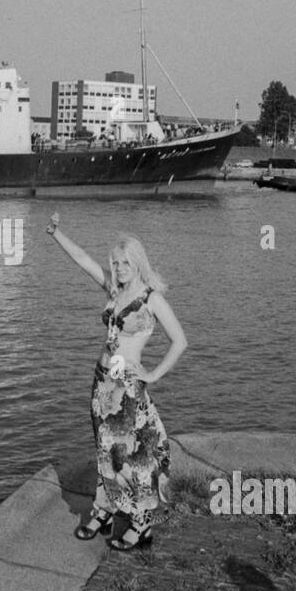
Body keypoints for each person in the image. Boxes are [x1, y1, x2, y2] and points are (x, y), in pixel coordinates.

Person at [46, 214, 187, 550]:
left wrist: (152, 374)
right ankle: (105, 509)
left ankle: (141, 524)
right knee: (105, 452)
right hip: (101, 383)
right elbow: (83, 260)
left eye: (126, 263)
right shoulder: (115, 289)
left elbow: (180, 341)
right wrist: (56, 233)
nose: (120, 268)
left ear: (138, 264)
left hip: (125, 387)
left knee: (129, 456)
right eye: (116, 263)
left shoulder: (151, 299)